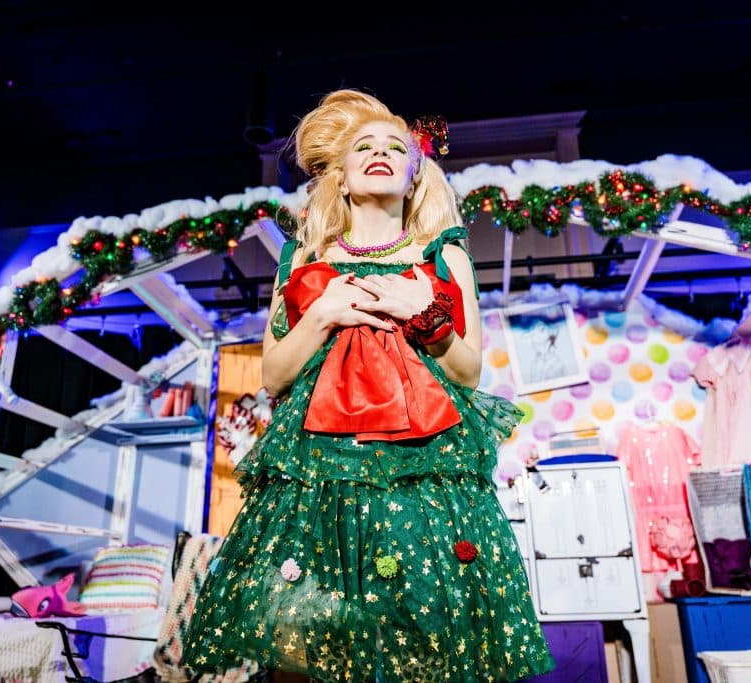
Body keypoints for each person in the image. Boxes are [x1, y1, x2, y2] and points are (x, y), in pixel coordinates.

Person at [181, 89, 554, 682]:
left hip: (420, 475)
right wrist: (323, 313)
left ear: (413, 175)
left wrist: (422, 311)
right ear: (342, 177)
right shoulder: (302, 260)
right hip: (324, 476)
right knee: (322, 645)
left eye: (396, 148)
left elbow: (468, 374)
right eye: (364, 146)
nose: (381, 153)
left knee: (425, 640)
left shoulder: (443, 257)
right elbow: (274, 376)